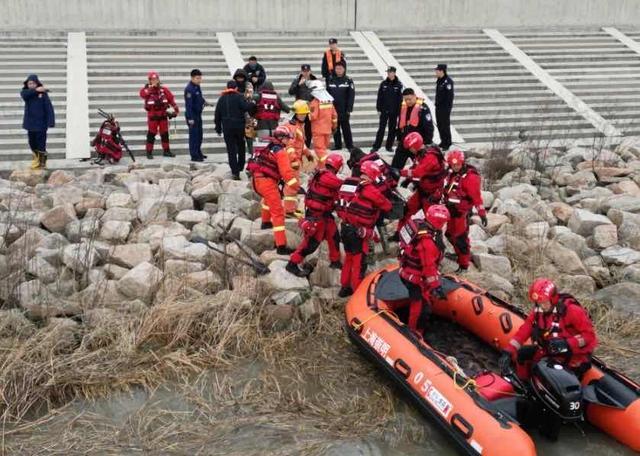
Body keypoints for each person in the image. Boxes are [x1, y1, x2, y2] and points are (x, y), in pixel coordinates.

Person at [499, 278, 598, 380]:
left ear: (553, 298)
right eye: (538, 303)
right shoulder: (539, 311)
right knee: (522, 354)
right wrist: (508, 351)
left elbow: (589, 336)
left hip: (574, 357)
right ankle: (524, 382)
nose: (542, 306)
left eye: (544, 302)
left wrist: (567, 344)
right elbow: (524, 330)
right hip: (551, 351)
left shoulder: (571, 310)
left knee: (555, 379)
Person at [338, 161, 392, 298]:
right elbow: (386, 205)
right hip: (358, 231)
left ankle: (344, 287)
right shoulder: (369, 189)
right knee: (359, 262)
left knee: (348, 258)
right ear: (372, 175)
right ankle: (357, 291)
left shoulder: (348, 183)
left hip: (344, 228)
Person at [286, 153, 344, 277]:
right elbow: (341, 184)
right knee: (311, 244)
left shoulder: (321, 174)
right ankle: (292, 263)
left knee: (334, 237)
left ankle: (335, 261)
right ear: (338, 166)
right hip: (317, 216)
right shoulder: (328, 177)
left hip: (325, 215)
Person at [247, 126, 299, 255]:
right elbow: (286, 173)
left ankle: (265, 222)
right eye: (287, 139)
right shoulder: (280, 151)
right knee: (278, 213)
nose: (289, 141)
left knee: (267, 199)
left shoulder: (268, 145)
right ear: (281, 138)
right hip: (267, 182)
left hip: (256, 180)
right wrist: (296, 186)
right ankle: (281, 246)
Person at [397, 205, 450, 333]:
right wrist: (436, 287)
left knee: (422, 301)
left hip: (406, 270)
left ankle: (415, 328)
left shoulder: (417, 224)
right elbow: (429, 268)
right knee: (420, 308)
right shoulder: (427, 243)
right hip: (414, 278)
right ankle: (414, 332)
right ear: (439, 223)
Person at [441, 150, 487, 272]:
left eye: (457, 165)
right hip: (451, 211)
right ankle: (459, 255)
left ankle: (464, 265)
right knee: (449, 235)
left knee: (461, 239)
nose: (455, 167)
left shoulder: (470, 178)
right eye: (452, 165)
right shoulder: (451, 173)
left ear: (462, 162)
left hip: (461, 213)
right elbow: (446, 188)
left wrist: (482, 214)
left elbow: (477, 198)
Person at [394, 132, 446, 235]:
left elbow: (417, 173)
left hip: (432, 194)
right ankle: (399, 234)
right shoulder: (421, 154)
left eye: (410, 148)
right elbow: (416, 168)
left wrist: (400, 172)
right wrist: (408, 180)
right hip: (422, 190)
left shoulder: (430, 157)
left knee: (431, 219)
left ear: (415, 146)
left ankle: (434, 241)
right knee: (407, 210)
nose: (410, 150)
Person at [214, 80, 254, 180]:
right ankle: (240, 166)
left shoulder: (221, 99)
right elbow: (245, 107)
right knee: (241, 146)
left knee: (231, 150)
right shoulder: (239, 97)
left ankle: (235, 172)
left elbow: (217, 115)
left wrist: (218, 128)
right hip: (239, 127)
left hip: (227, 127)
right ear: (236, 88)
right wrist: (252, 103)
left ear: (226, 87)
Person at [283, 100, 315, 217]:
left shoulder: (299, 126)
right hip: (292, 162)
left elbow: (300, 144)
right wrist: (293, 160)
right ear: (296, 114)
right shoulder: (293, 127)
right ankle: (288, 210)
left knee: (294, 185)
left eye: (305, 114)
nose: (304, 116)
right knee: (291, 185)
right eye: (302, 114)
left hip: (295, 161)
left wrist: (307, 153)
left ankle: (291, 209)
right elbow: (289, 146)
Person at [139, 71, 179, 159]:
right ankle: (149, 152)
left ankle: (166, 151)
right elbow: (142, 94)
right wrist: (150, 88)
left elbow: (171, 100)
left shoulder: (164, 90)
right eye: (152, 79)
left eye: (156, 79)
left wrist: (176, 111)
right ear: (149, 81)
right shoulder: (146, 90)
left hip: (163, 116)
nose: (155, 81)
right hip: (152, 117)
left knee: (164, 134)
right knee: (151, 134)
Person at [391, 88, 434, 170]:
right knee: (395, 167)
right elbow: (400, 124)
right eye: (406, 99)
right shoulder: (403, 107)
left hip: (417, 145)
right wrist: (399, 138)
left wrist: (426, 142)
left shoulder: (423, 108)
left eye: (410, 99)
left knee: (420, 168)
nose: (408, 102)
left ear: (414, 96)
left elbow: (429, 127)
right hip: (404, 142)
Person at [21, 74, 54, 170]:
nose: (31, 85)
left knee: (41, 143)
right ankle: (37, 158)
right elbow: (24, 95)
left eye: (33, 83)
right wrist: (36, 90)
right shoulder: (26, 93)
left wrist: (50, 121)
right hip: (30, 123)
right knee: (32, 142)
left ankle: (42, 162)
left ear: (36, 83)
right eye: (29, 83)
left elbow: (48, 108)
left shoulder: (43, 94)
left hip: (41, 124)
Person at [372, 66, 403, 153]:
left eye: (390, 72)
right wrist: (378, 108)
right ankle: (376, 146)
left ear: (394, 73)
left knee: (392, 129)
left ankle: (389, 146)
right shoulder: (383, 84)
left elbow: (400, 99)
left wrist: (399, 111)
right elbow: (379, 97)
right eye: (388, 72)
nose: (389, 74)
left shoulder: (399, 85)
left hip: (394, 111)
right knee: (381, 128)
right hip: (384, 110)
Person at [308, 81, 337, 166]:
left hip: (318, 131)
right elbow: (334, 115)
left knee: (320, 150)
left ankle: (324, 167)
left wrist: (308, 111)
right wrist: (334, 127)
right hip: (328, 130)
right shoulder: (329, 101)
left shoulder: (315, 102)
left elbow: (313, 117)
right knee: (323, 149)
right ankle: (321, 166)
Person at [327, 62, 355, 151]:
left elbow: (351, 96)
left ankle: (349, 146)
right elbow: (327, 94)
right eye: (337, 68)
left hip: (344, 109)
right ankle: (337, 145)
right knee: (335, 128)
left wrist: (349, 109)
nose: (339, 70)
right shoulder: (331, 79)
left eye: (340, 68)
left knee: (346, 128)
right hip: (333, 109)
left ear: (344, 69)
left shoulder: (348, 80)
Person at [288, 64, 317, 147]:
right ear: (301, 71)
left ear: (310, 71)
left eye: (307, 71)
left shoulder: (314, 80)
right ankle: (295, 143)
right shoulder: (297, 80)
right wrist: (298, 85)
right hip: (299, 108)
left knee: (308, 128)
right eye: (304, 71)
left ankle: (306, 146)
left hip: (309, 107)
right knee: (296, 126)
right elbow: (290, 92)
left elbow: (318, 92)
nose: (306, 73)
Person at [184, 69, 208, 162]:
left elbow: (199, 97)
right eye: (197, 78)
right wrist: (190, 118)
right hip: (192, 115)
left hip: (198, 114)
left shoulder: (197, 86)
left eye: (200, 78)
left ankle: (199, 152)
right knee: (194, 136)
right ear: (192, 78)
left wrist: (204, 102)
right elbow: (188, 105)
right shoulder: (189, 89)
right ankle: (194, 155)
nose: (199, 80)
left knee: (199, 135)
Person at [434, 63, 454, 151]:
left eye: (437, 70)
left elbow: (450, 96)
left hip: (445, 108)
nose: (436, 72)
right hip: (438, 107)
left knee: (445, 125)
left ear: (442, 71)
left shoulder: (448, 82)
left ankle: (447, 142)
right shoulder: (439, 80)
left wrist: (447, 108)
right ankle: (443, 141)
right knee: (440, 125)